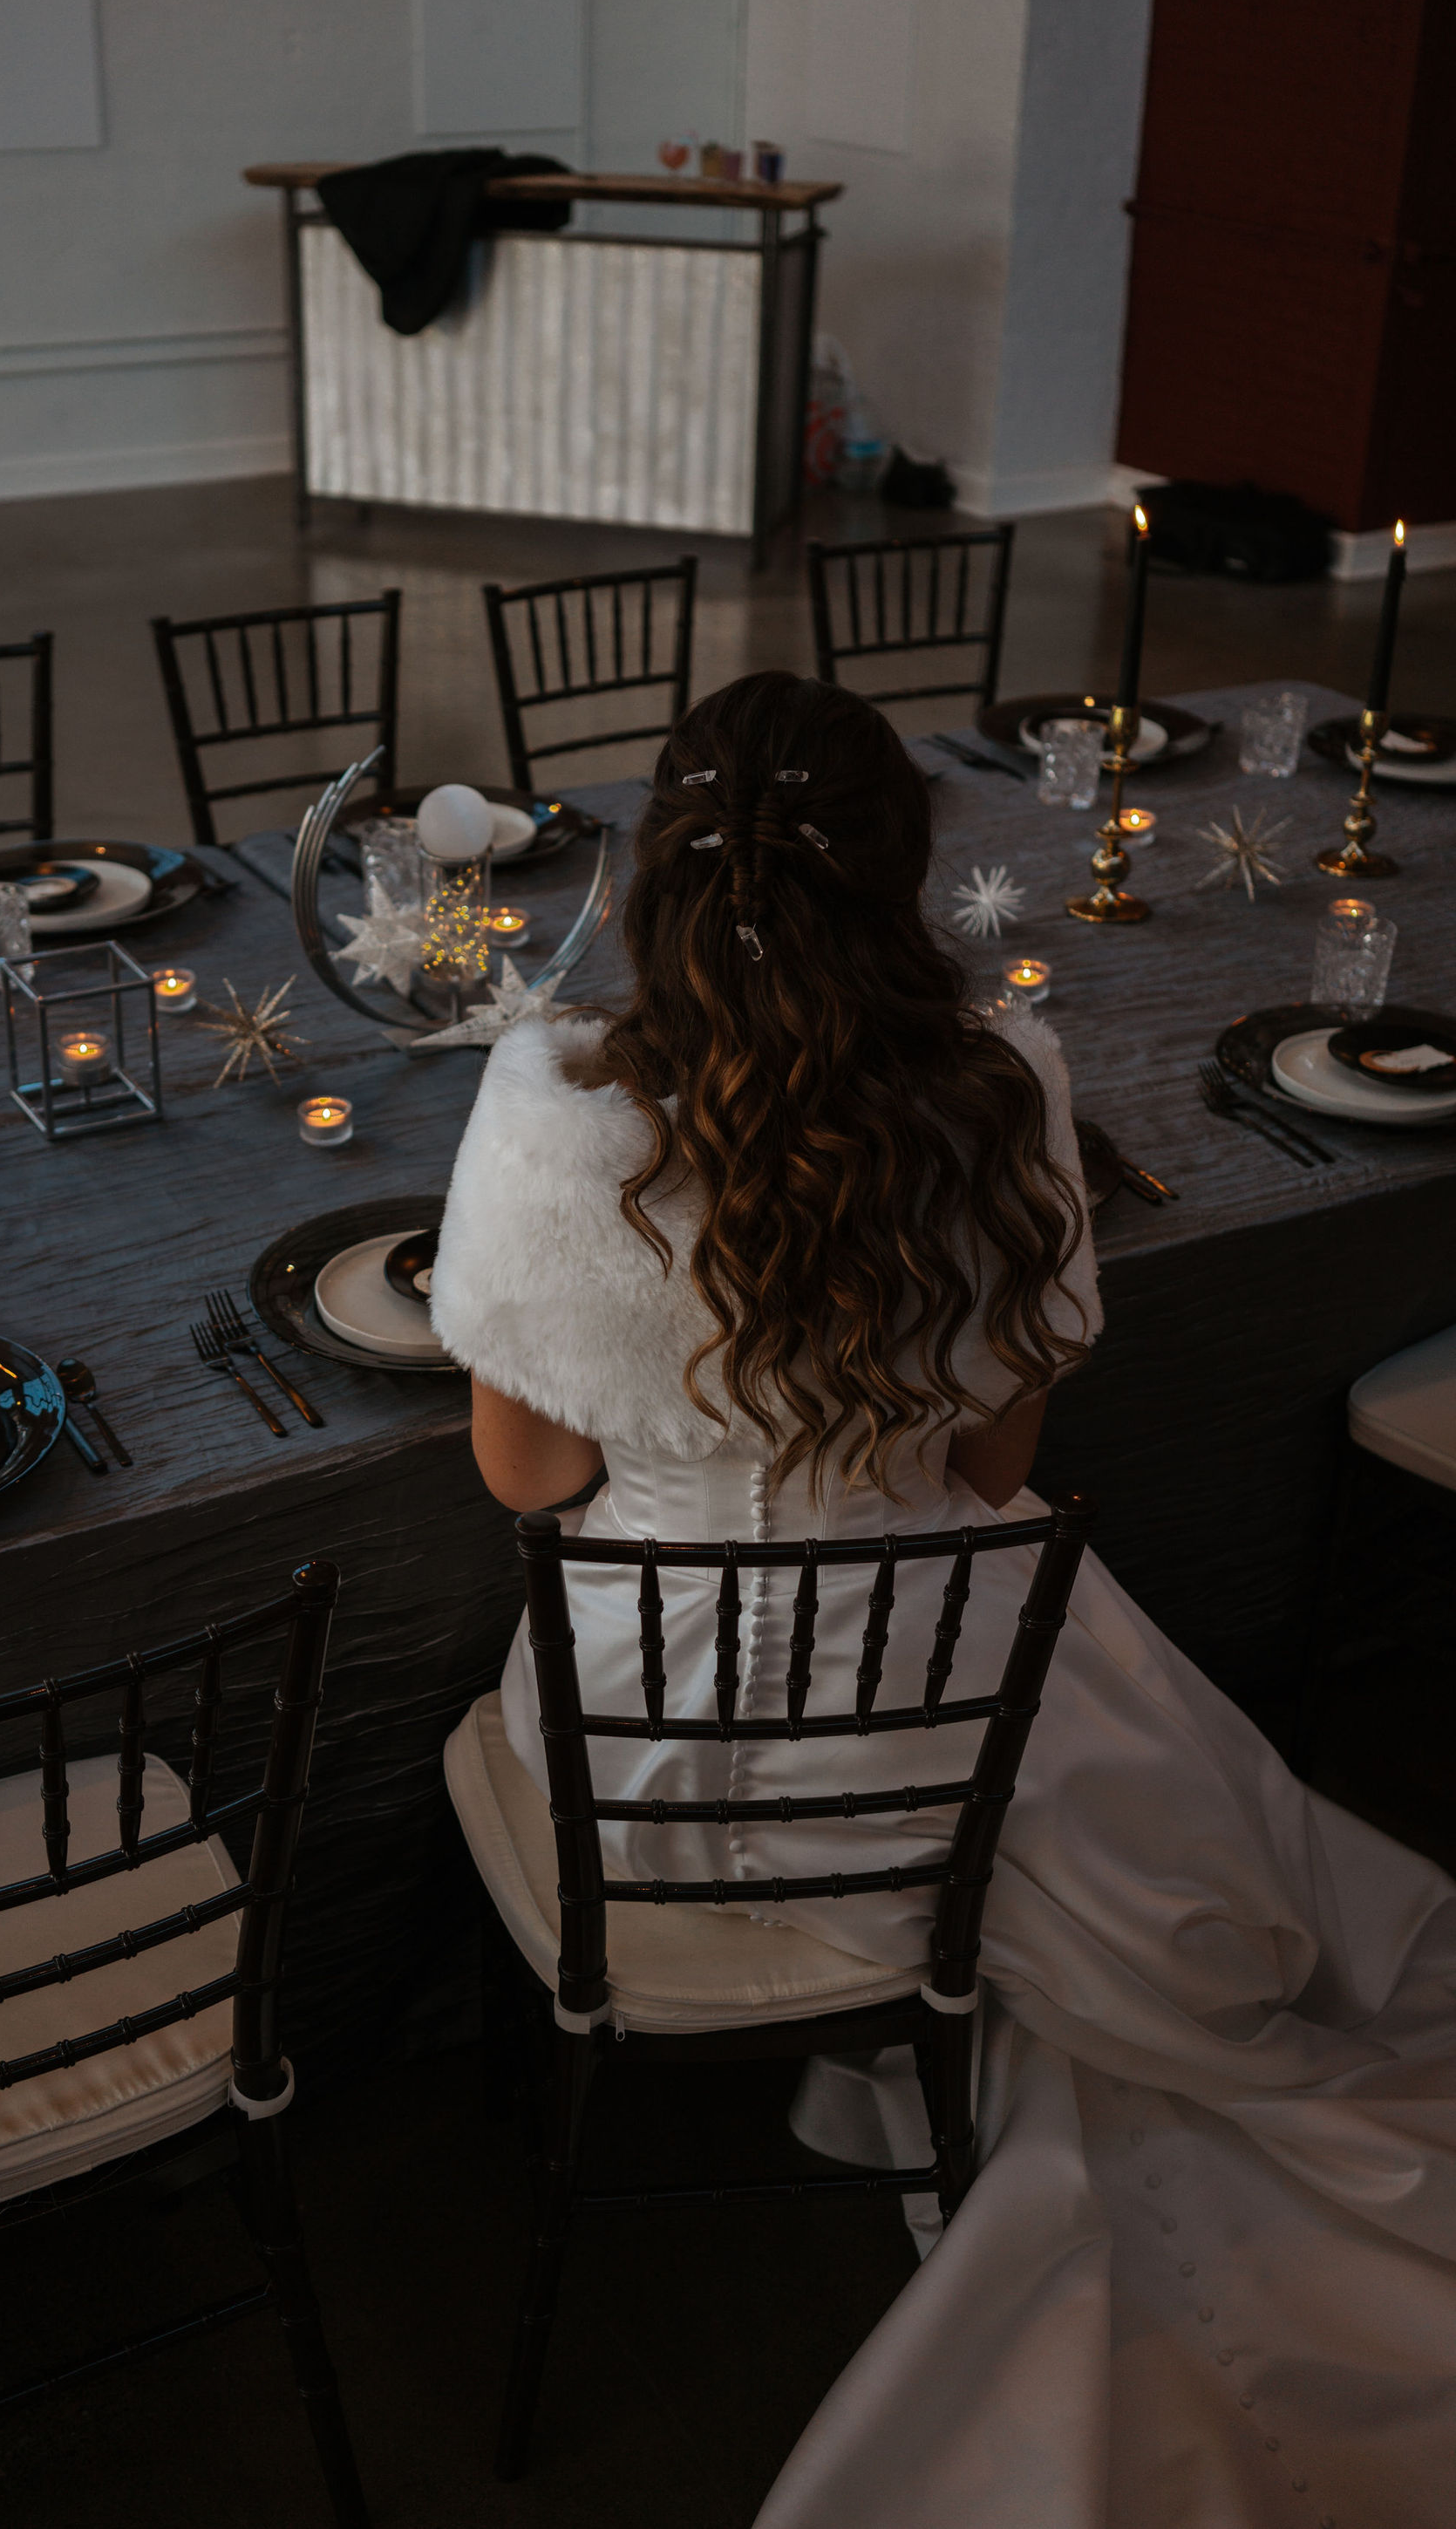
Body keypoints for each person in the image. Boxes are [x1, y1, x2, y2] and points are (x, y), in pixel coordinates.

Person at [431, 672, 1456, 2529]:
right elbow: (991, 1480)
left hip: (633, 1769)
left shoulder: (544, 1108)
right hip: (928, 1731)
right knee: (1119, 1697)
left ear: (653, 882)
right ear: (900, 877)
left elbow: (528, 1484)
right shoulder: (1003, 1083)